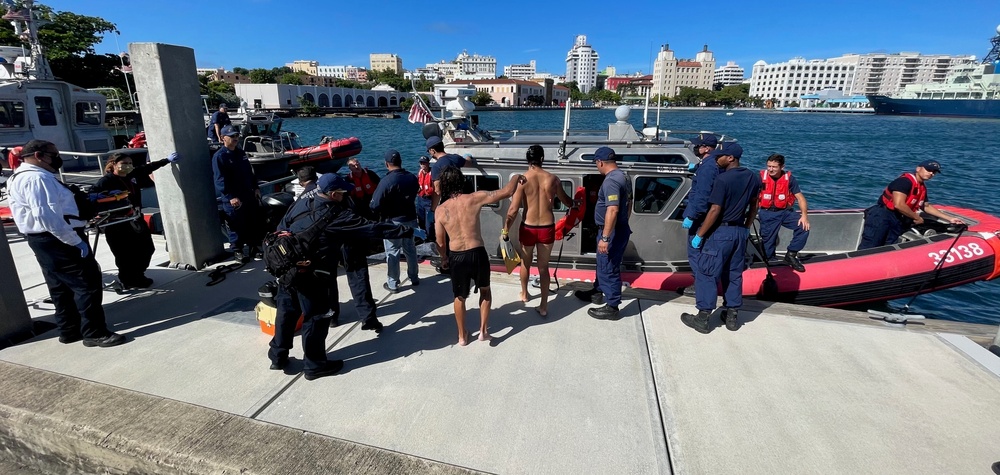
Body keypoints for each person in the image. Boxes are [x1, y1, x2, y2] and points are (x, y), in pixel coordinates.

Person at [268, 174, 413, 380]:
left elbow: (282, 227)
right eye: (343, 192)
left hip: (287, 267)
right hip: (313, 273)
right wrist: (405, 231)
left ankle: (277, 355)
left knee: (287, 312)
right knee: (316, 317)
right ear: (334, 194)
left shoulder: (302, 201)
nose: (346, 195)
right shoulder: (337, 216)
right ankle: (315, 365)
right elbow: (371, 228)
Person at [7, 140, 125, 347]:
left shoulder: (18, 176)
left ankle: (69, 330)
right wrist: (75, 241)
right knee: (87, 285)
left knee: (60, 287)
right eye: (54, 154)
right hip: (59, 238)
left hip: (43, 240)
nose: (58, 158)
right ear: (39, 155)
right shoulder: (37, 179)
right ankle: (95, 333)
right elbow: (47, 216)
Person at [435, 166, 524, 346]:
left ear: (444, 185)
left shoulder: (441, 210)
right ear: (461, 181)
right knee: (485, 290)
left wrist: (444, 257)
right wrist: (517, 177)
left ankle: (462, 336)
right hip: (477, 253)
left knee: (459, 297)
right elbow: (507, 191)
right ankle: (483, 332)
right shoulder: (474, 198)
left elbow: (441, 242)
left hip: (457, 256)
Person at [681, 142, 762, 333]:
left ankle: (702, 318)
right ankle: (732, 316)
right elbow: (754, 205)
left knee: (706, 273)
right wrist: (746, 227)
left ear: (731, 158)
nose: (717, 159)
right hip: (740, 232)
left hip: (721, 233)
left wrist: (699, 235)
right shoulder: (753, 177)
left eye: (721, 156)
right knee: (734, 274)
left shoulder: (722, 180)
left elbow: (715, 210)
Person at [502, 144, 575, 317]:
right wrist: (576, 204)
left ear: (527, 160)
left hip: (528, 227)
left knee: (525, 263)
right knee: (543, 267)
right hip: (546, 228)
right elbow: (566, 201)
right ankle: (543, 306)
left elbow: (512, 210)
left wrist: (506, 229)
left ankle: (525, 294)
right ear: (542, 159)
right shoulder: (553, 179)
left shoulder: (522, 180)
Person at [90, 151, 180, 288]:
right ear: (114, 164)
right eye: (124, 163)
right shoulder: (106, 181)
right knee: (124, 255)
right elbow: (92, 195)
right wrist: (108, 195)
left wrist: (166, 160)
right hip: (117, 223)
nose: (128, 166)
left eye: (130, 163)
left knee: (147, 248)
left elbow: (147, 168)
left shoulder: (131, 175)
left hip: (135, 218)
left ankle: (138, 273)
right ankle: (129, 279)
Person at [573, 147, 632, 321]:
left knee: (609, 266)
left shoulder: (611, 181)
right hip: (617, 228)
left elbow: (612, 210)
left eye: (596, 164)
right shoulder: (624, 176)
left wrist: (606, 237)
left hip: (611, 232)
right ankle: (598, 291)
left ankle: (612, 306)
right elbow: (629, 204)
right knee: (602, 263)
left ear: (600, 162)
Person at [858, 160, 963, 250]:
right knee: (871, 245)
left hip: (898, 219)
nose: (931, 173)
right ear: (918, 169)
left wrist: (950, 219)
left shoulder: (921, 188)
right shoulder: (904, 182)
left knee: (887, 246)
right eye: (928, 170)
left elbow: (926, 206)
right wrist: (916, 217)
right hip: (882, 215)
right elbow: (899, 204)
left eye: (934, 172)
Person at [370, 149, 421, 292]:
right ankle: (414, 277)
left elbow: (374, 204)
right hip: (410, 217)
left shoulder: (386, 181)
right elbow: (416, 190)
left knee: (392, 252)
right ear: (400, 162)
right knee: (410, 249)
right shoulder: (411, 177)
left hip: (393, 221)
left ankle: (393, 283)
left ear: (387, 164)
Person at [680, 136, 725, 295]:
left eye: (698, 145)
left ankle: (699, 284)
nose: (695, 147)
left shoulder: (708, 167)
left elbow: (702, 195)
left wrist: (691, 216)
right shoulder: (709, 165)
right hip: (706, 216)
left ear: (707, 148)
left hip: (699, 218)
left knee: (695, 251)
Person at [212, 124, 262, 263]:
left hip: (248, 194)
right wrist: (230, 197)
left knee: (252, 222)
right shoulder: (220, 157)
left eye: (237, 136)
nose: (236, 138)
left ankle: (254, 247)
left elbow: (249, 173)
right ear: (223, 138)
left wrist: (256, 187)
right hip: (233, 198)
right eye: (232, 136)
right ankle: (237, 250)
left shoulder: (240, 153)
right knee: (235, 224)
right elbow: (220, 179)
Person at [756, 153, 809, 272]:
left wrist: (804, 216)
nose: (770, 169)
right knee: (767, 243)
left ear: (782, 167)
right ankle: (769, 261)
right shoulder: (760, 177)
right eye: (769, 166)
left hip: (785, 212)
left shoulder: (789, 179)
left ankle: (791, 254)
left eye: (774, 167)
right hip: (767, 213)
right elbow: (753, 197)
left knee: (803, 227)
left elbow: (800, 198)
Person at [415, 155, 434, 240]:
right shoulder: (420, 173)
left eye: (424, 163)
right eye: (421, 163)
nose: (422, 165)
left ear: (428, 164)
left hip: (429, 201)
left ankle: (431, 239)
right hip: (420, 200)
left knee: (429, 223)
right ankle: (423, 240)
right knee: (421, 221)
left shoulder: (432, 173)